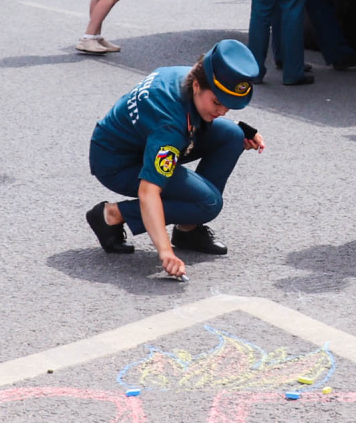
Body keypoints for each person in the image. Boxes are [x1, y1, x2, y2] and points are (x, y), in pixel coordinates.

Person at [86, 40, 266, 275]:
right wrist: (165, 252)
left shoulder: (188, 76)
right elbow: (148, 191)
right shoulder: (170, 126)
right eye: (218, 102)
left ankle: (187, 230)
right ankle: (111, 214)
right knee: (208, 204)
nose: (222, 111)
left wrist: (239, 126)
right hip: (117, 164)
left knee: (233, 134)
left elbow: (189, 115)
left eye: (229, 106)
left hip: (142, 141)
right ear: (198, 86)